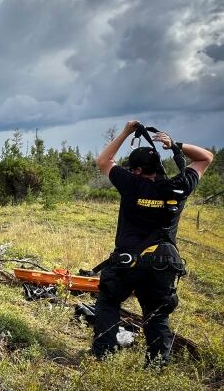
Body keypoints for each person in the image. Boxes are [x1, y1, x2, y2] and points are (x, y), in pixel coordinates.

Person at [91, 120, 212, 366]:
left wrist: (126, 131)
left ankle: (104, 355)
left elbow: (104, 160)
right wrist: (174, 145)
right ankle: (157, 365)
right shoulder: (178, 185)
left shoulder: (131, 183)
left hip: (127, 262)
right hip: (162, 263)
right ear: (158, 166)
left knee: (109, 302)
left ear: (136, 170)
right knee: (156, 316)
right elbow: (206, 158)